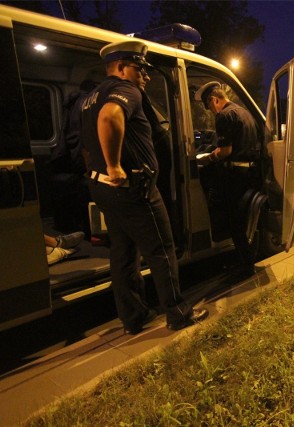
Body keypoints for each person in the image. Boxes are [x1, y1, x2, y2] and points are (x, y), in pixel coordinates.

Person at [80, 40, 207, 334]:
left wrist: (101, 170)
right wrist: (114, 166)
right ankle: (178, 314)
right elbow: (109, 118)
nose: (146, 76)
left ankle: (133, 318)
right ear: (122, 67)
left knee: (123, 254)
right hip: (134, 188)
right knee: (162, 250)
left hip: (105, 190)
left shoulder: (90, 97)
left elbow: (87, 144)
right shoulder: (126, 90)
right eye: (140, 69)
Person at [195, 81, 259, 277]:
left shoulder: (224, 115)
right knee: (240, 218)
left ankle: (245, 266)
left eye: (209, 106)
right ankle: (244, 260)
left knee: (234, 222)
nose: (210, 111)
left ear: (214, 99)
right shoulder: (244, 113)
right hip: (247, 173)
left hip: (232, 175)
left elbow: (225, 150)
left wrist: (208, 158)